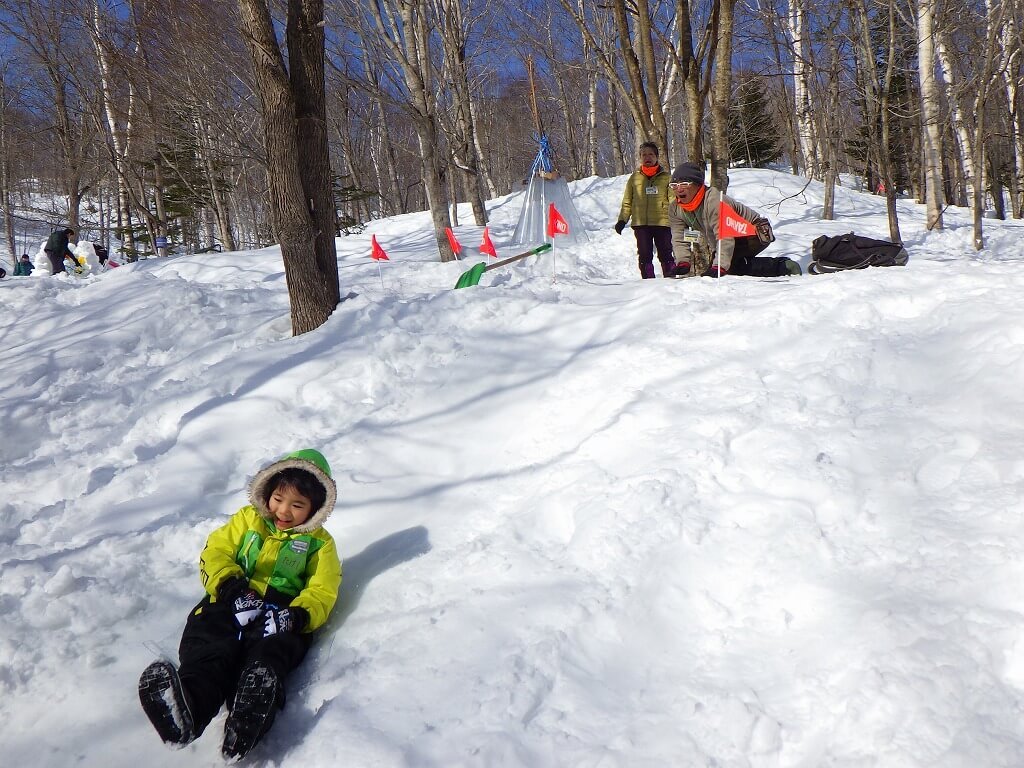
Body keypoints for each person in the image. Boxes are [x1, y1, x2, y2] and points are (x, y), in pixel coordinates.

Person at [138, 449, 342, 761]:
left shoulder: (320, 544)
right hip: (231, 601)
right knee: (211, 643)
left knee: (269, 657)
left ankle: (249, 715)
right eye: (278, 498)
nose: (283, 511)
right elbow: (216, 551)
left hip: (279, 613)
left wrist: (294, 617)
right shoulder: (247, 521)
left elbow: (322, 590)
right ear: (268, 492)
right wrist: (232, 589)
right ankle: (188, 708)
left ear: (314, 509)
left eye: (297, 505)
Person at [668, 162, 794, 277]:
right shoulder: (675, 208)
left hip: (753, 231)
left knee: (731, 268)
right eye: (674, 185)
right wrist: (683, 262)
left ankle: (783, 267)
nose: (679, 189)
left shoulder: (714, 200)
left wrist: (720, 266)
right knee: (716, 271)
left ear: (697, 184)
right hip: (726, 238)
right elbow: (679, 237)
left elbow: (725, 235)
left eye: (685, 184)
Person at [614, 141, 676, 279]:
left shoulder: (666, 178)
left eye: (651, 154)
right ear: (640, 157)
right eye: (644, 155)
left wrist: (679, 219)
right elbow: (627, 202)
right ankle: (648, 285)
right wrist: (622, 220)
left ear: (657, 157)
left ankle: (671, 282)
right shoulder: (634, 178)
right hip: (641, 224)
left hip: (662, 223)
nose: (647, 157)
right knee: (644, 254)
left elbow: (673, 201)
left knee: (666, 253)